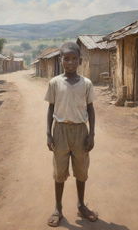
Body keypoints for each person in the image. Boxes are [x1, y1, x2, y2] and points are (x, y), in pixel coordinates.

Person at [45, 42, 98, 227]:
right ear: (61, 60)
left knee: (81, 171)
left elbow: (91, 109)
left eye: (74, 58)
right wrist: (48, 134)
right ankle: (58, 208)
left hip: (80, 131)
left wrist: (91, 134)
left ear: (80, 61)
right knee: (59, 172)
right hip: (60, 130)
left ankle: (81, 205)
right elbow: (51, 108)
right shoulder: (54, 83)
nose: (70, 62)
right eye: (66, 58)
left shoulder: (87, 84)